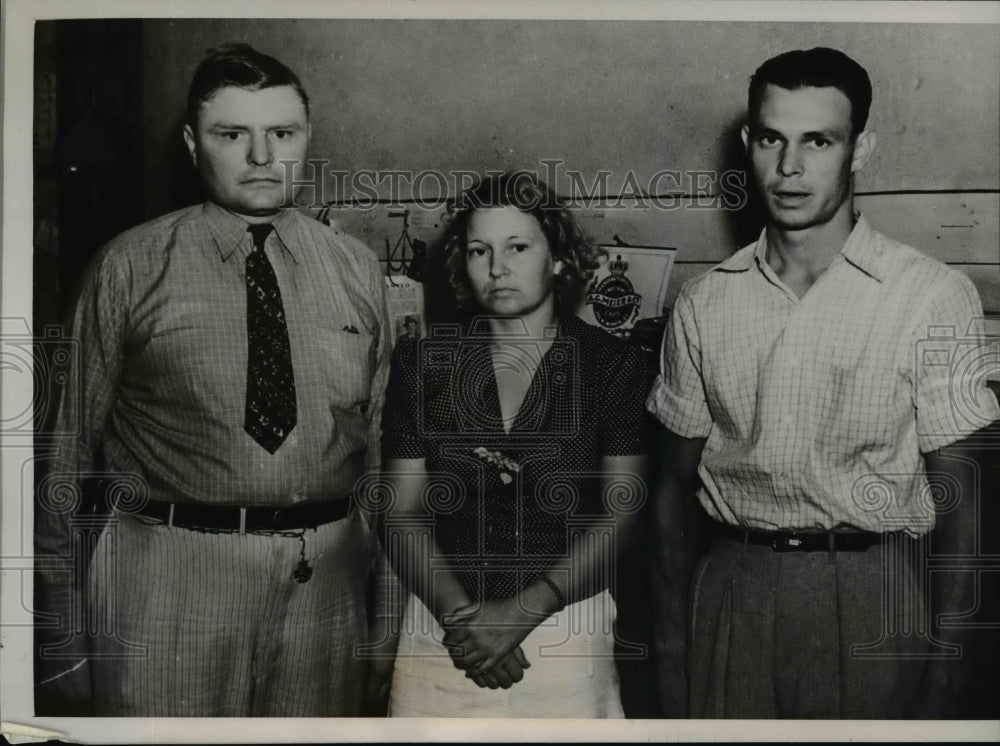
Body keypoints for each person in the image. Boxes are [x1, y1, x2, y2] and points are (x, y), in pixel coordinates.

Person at [34, 43, 392, 717]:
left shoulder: (356, 270)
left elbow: (387, 460)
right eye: (233, 135)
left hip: (328, 592)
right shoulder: (129, 269)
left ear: (306, 139)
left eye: (281, 134)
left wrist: (388, 622)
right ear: (194, 145)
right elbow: (62, 458)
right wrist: (59, 639)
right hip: (169, 584)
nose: (262, 157)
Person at [647, 46, 1000, 719]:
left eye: (819, 141)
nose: (790, 168)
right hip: (731, 589)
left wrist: (950, 676)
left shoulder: (929, 296)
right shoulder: (703, 303)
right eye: (773, 139)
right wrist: (668, 653)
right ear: (749, 144)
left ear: (860, 149)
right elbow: (667, 494)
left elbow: (967, 506)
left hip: (873, 593)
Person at [376, 172, 653, 717]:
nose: (497, 267)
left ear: (557, 258)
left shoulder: (613, 365)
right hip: (443, 625)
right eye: (480, 250)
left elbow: (625, 514)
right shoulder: (423, 363)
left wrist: (521, 612)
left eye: (517, 247)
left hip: (564, 631)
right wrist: (462, 619)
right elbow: (400, 512)